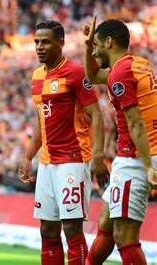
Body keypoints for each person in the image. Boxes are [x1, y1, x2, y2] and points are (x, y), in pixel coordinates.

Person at [18, 21, 109, 265]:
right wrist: (28, 156)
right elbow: (41, 120)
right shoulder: (37, 76)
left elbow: (96, 116)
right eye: (37, 41)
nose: (39, 47)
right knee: (47, 230)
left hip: (73, 160)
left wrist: (98, 156)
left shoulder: (76, 73)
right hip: (47, 163)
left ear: (61, 43)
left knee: (71, 229)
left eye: (45, 41)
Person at [83, 16, 157, 265]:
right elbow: (92, 76)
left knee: (124, 235)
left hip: (136, 158)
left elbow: (135, 122)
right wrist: (86, 46)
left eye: (96, 45)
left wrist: (148, 166)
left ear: (109, 42)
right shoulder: (136, 64)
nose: (94, 51)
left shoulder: (120, 74)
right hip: (134, 155)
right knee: (105, 222)